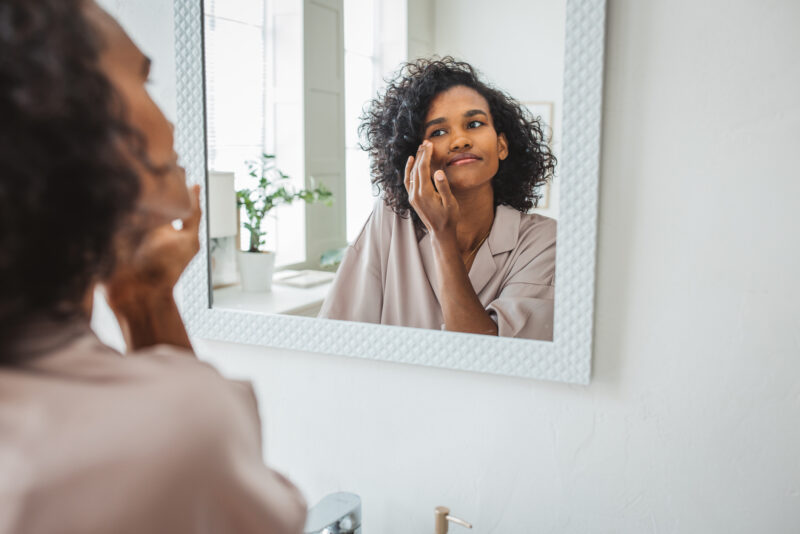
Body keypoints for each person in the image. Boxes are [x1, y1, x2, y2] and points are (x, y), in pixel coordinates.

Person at [0, 1, 306, 532]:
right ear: (64, 115)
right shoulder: (168, 429)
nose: (169, 120)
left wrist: (145, 300)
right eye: (147, 80)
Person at [319, 57, 557, 340]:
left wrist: (442, 237)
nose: (460, 141)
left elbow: (488, 359)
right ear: (416, 156)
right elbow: (336, 336)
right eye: (439, 131)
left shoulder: (543, 240)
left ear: (502, 145)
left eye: (475, 123)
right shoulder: (390, 220)